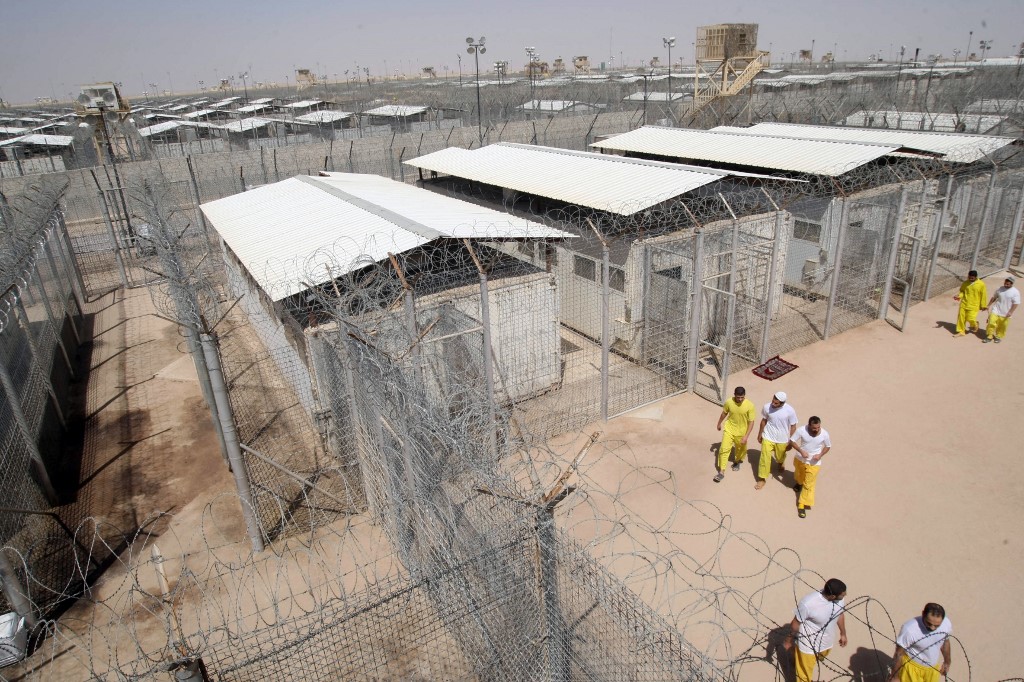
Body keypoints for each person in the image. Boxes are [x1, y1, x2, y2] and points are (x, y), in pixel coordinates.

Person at [784, 578, 848, 682]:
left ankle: (797, 658)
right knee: (803, 677)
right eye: (843, 595)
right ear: (832, 596)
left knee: (816, 660)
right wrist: (788, 641)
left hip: (826, 643)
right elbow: (795, 623)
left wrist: (843, 633)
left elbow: (840, 614)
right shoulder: (808, 603)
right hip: (808, 647)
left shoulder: (839, 599)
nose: (845, 596)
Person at [889, 603, 952, 682]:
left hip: (932, 669)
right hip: (912, 668)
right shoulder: (910, 629)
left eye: (937, 626)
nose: (932, 628)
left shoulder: (946, 624)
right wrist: (895, 676)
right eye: (929, 623)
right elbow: (899, 653)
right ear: (923, 614)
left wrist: (947, 661)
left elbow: (945, 642)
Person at [789, 417, 832, 519]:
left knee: (809, 484)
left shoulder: (824, 434)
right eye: (814, 428)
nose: (816, 430)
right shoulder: (801, 430)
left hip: (814, 463)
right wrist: (801, 451)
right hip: (800, 459)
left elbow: (828, 446)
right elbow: (792, 441)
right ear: (809, 425)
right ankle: (799, 483)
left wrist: (820, 455)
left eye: (818, 427)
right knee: (799, 475)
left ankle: (801, 505)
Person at [714, 386, 757, 482]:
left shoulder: (750, 405)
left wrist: (746, 436)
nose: (740, 399)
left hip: (742, 432)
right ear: (734, 395)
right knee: (724, 449)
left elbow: (751, 421)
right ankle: (721, 472)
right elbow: (724, 413)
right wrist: (719, 423)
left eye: (742, 397)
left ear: (744, 396)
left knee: (740, 449)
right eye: (738, 397)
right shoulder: (729, 402)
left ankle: (737, 461)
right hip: (729, 429)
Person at [756, 391, 797, 490]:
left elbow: (793, 426)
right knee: (764, 458)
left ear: (782, 403)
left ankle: (780, 462)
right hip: (768, 436)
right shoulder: (766, 407)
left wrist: (791, 441)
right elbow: (763, 421)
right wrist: (760, 434)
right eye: (773, 401)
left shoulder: (790, 411)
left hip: (782, 439)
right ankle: (762, 478)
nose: (773, 404)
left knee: (779, 456)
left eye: (776, 403)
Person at [983, 276, 1020, 344]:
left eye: (1007, 284)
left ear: (1012, 284)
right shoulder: (1000, 289)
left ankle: (998, 336)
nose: (1005, 285)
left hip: (1006, 312)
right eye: (1005, 283)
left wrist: (1010, 312)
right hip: (996, 309)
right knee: (991, 322)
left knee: (1002, 326)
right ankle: (989, 335)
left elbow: (1016, 303)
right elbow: (994, 297)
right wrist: (988, 305)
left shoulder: (1015, 292)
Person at [952, 270, 987, 337]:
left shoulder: (981, 284)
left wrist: (983, 305)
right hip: (964, 303)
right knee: (961, 318)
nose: (970, 279)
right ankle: (961, 331)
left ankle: (975, 324)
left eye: (972, 278)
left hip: (974, 305)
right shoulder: (965, 283)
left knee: (970, 318)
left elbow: (983, 295)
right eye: (969, 277)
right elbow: (962, 292)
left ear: (976, 277)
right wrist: (958, 296)